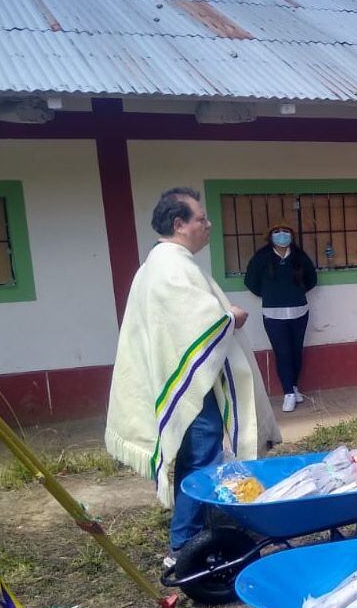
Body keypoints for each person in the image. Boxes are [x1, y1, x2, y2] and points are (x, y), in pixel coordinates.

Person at [105, 188, 279, 565]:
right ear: (178, 224)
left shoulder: (161, 263)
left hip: (190, 382)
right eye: (201, 219)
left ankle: (219, 526)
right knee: (202, 460)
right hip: (193, 390)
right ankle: (184, 545)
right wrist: (231, 316)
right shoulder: (171, 266)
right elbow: (197, 327)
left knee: (199, 458)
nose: (208, 225)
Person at [243, 224, 317, 413]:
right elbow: (250, 281)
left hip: (299, 310)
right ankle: (288, 394)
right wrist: (270, 294)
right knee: (282, 352)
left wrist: (295, 293)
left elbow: (311, 280)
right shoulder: (261, 258)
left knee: (296, 351)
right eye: (277, 232)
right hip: (273, 313)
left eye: (286, 231)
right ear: (270, 236)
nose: (281, 235)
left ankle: (293, 386)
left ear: (292, 235)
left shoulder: (299, 257)